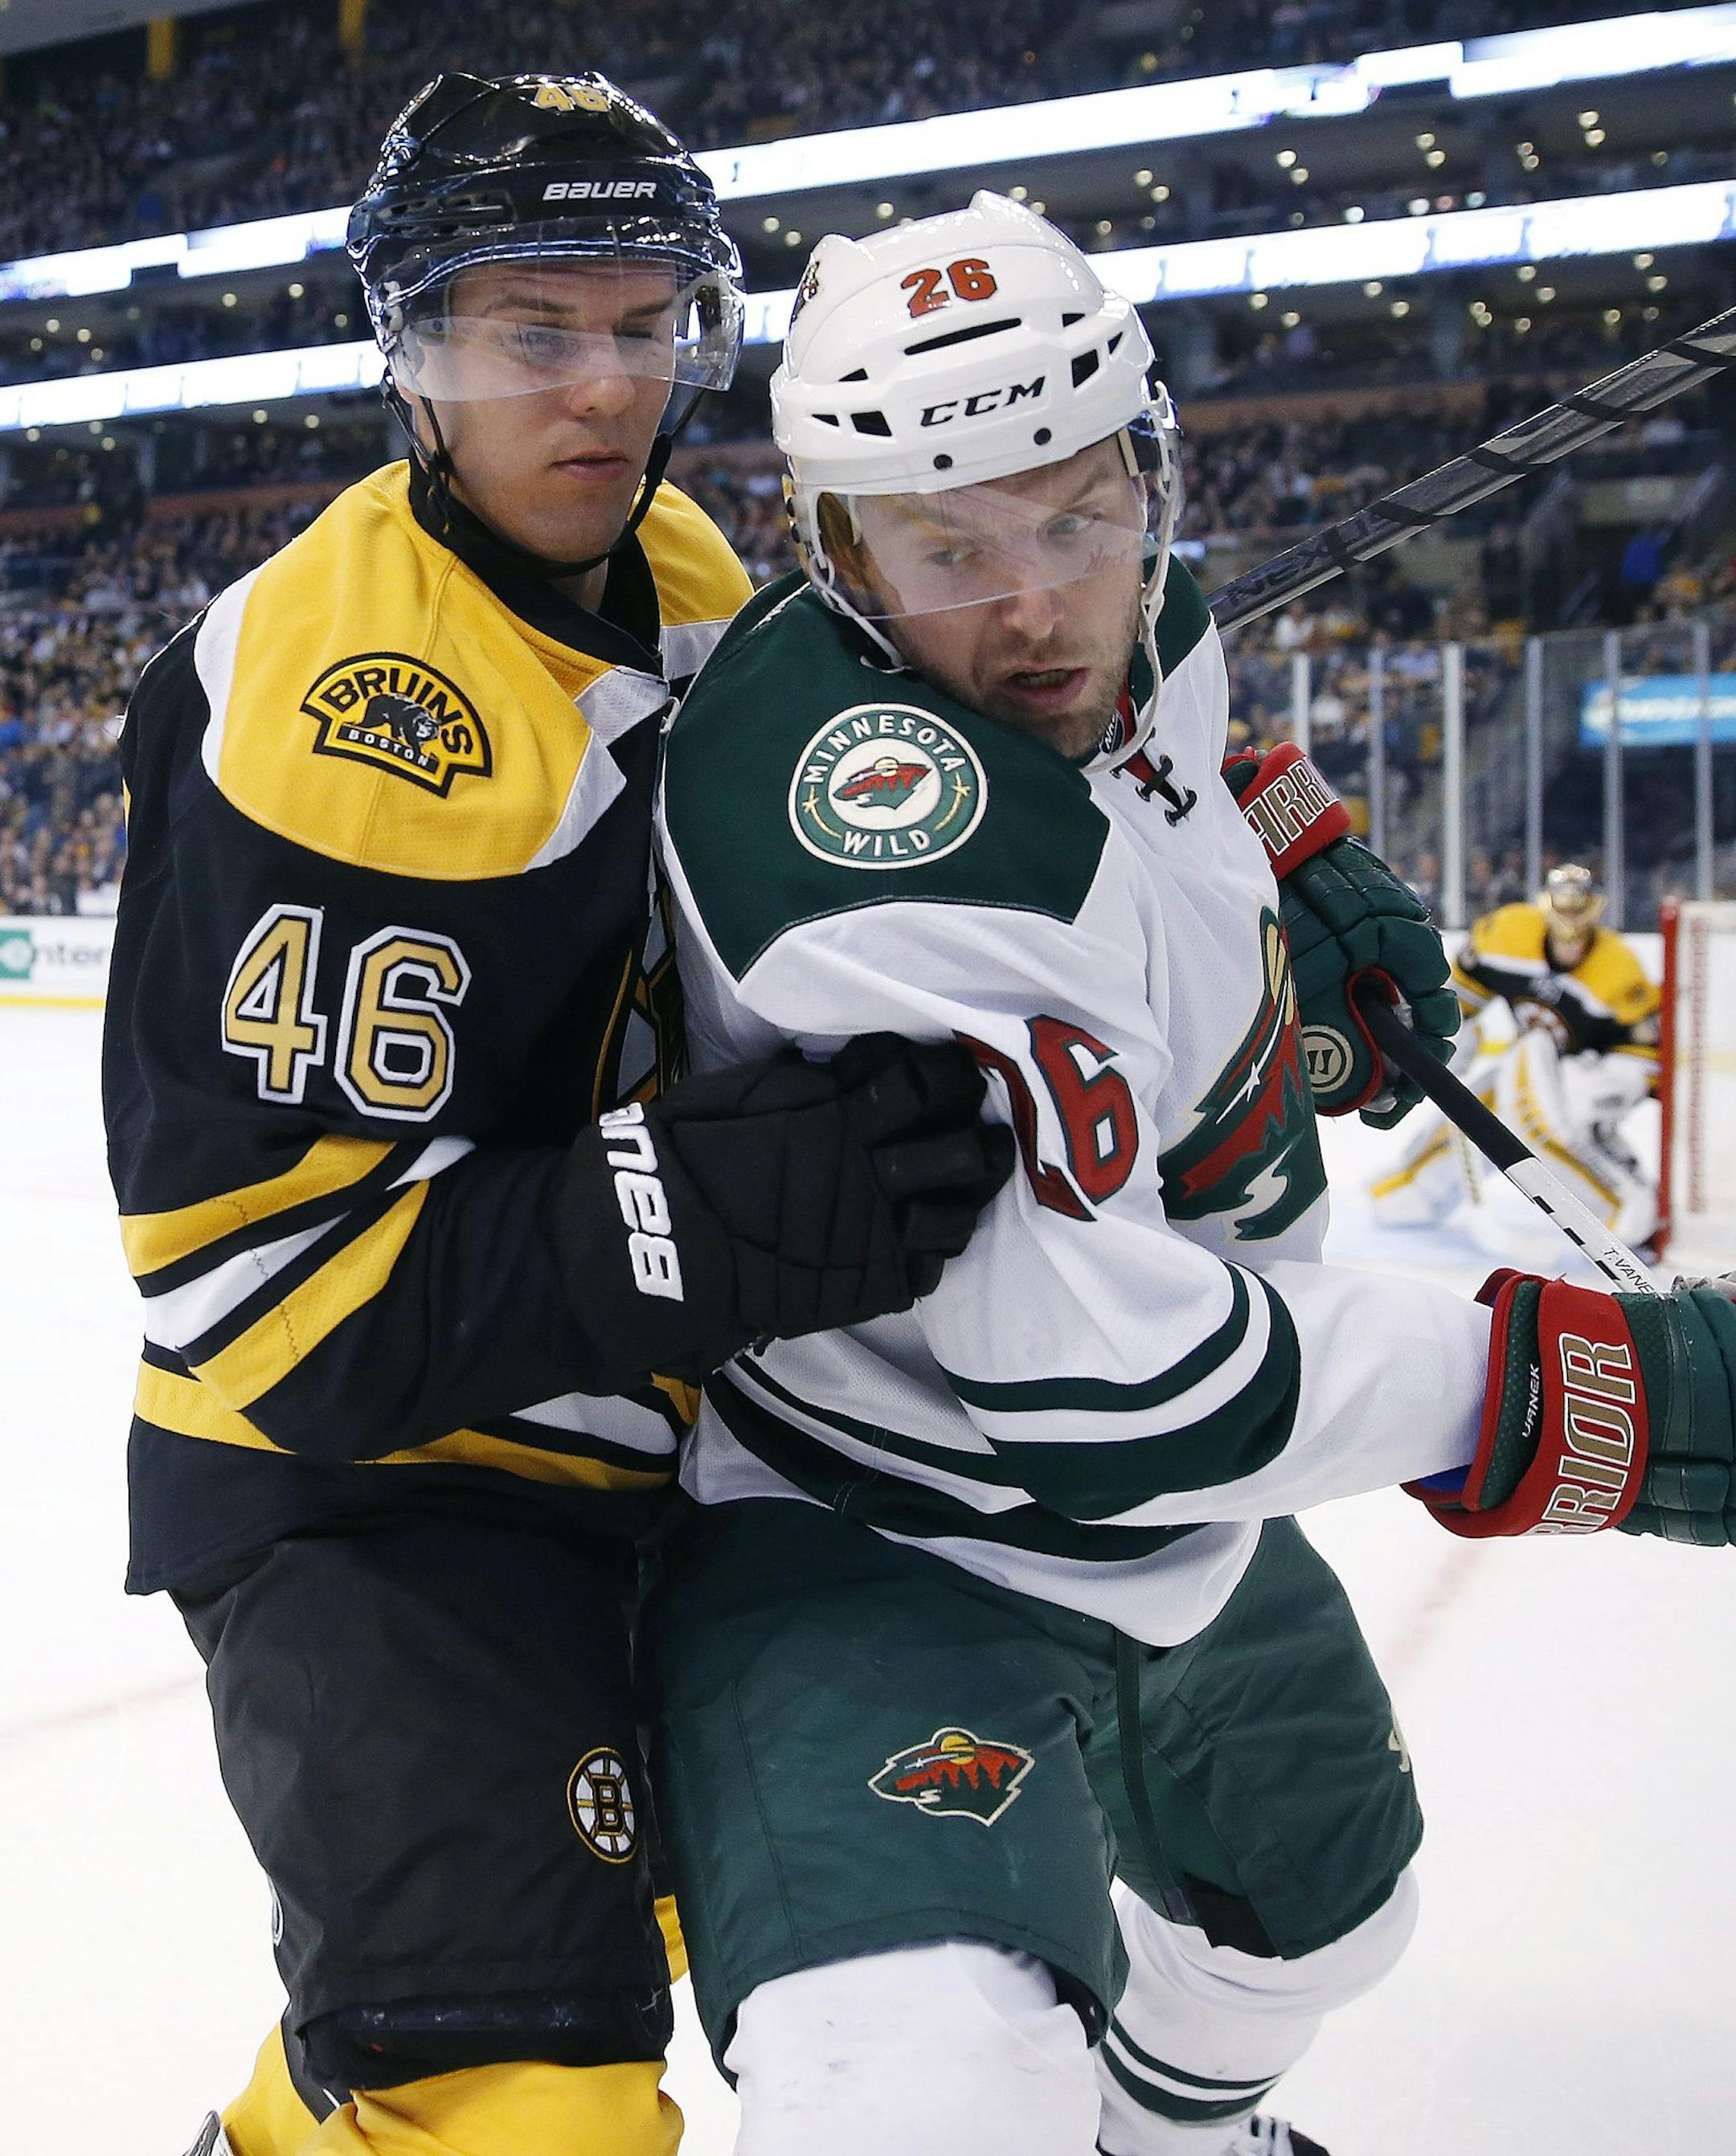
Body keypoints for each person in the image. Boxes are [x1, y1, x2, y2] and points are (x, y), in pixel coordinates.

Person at [648, 194, 1736, 2156]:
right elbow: (1120, 1392)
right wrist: (1597, 1391)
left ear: (1149, 467)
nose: (1038, 611)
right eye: (949, 549)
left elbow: (1170, 727)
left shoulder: (1117, 619)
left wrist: (1284, 853)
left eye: (1078, 516)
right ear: (833, 548)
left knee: (1317, 1920)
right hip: (882, 1529)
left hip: (1175, 1536)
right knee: (917, 2092)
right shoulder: (891, 845)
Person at [103, 76, 1008, 2156]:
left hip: (656, 1447)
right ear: (412, 351)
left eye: (645, 323)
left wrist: (1210, 817)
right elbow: (262, 1295)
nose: (605, 387)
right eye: (534, 331)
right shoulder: (335, 709)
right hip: (369, 1497)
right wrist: (694, 1214)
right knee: (538, 2103)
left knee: (793, 1937)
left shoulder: (682, 564)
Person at [1370, 863, 1660, 1248]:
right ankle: (1414, 1187)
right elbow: (1460, 995)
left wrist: (1613, 1083)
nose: (1570, 942)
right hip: (1540, 1060)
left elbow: (1644, 1048)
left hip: (1600, 1068)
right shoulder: (1509, 933)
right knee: (1487, 1107)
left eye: (1578, 928)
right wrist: (1452, 1037)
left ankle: (1626, 1206)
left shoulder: (1618, 967)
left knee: (1556, 1118)